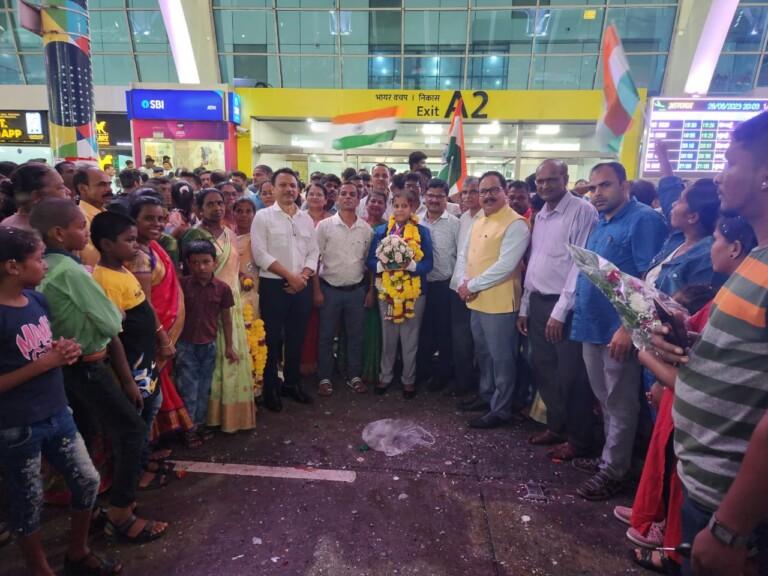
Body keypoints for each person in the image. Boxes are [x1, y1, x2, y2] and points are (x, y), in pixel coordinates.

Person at [646, 111, 768, 576]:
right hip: (706, 490)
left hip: (738, 516)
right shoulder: (756, 257)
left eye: (731, 162)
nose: (719, 175)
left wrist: (731, 528)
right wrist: (687, 339)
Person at [30, 199, 168, 543]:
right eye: (80, 226)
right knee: (132, 430)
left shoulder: (50, 266)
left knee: (90, 434)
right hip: (89, 365)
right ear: (59, 233)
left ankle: (89, 509)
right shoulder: (72, 272)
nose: (85, 233)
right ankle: (121, 510)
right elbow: (110, 320)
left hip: (71, 365)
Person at [626, 215, 757, 574]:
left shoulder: (743, 286)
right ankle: (663, 534)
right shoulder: (744, 279)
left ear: (734, 248)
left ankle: (667, 545)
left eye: (716, 238)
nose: (721, 174)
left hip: (725, 475)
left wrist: (648, 358)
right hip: (703, 459)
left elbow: (714, 376)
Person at [0, 226, 121, 576]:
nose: (46, 267)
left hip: (56, 410)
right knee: (27, 502)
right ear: (12, 266)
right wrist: (43, 364)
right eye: (38, 260)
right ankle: (41, 569)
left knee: (87, 480)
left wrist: (62, 349)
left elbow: (39, 348)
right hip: (17, 424)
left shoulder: (35, 300)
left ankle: (78, 551)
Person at [570, 162, 668, 501]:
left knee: (621, 402)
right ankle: (610, 461)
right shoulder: (602, 221)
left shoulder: (644, 220)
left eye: (605, 186)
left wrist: (629, 328)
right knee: (606, 400)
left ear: (625, 186)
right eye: (594, 188)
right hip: (591, 324)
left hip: (618, 331)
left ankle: (614, 473)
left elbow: (648, 280)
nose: (597, 193)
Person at [518, 159, 599, 461]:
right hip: (538, 301)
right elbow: (536, 260)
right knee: (544, 369)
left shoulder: (582, 211)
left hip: (563, 306)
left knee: (571, 376)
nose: (544, 186)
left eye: (551, 180)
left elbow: (580, 265)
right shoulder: (541, 215)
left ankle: (580, 440)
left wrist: (560, 311)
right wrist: (526, 306)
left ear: (565, 178)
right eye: (540, 181)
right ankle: (557, 426)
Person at [90, 210, 174, 490]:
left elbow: (143, 307)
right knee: (135, 419)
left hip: (144, 359)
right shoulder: (104, 280)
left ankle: (142, 459)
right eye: (129, 240)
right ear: (106, 244)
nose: (136, 246)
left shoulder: (122, 270)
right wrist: (127, 380)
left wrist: (161, 338)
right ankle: (134, 474)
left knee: (150, 408)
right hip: (131, 363)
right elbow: (113, 335)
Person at [455, 171, 530, 428]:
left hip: (500, 305)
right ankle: (486, 396)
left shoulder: (516, 223)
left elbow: (506, 265)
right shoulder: (479, 221)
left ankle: (501, 409)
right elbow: (467, 256)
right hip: (476, 300)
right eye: (482, 191)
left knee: (502, 359)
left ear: (505, 190)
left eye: (492, 190)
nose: (487, 195)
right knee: (484, 354)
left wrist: (471, 285)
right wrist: (464, 284)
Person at [181, 189, 255, 433]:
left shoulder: (230, 234)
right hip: (207, 306)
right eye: (210, 204)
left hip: (231, 302)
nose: (217, 208)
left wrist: (243, 277)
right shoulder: (194, 234)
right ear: (199, 208)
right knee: (208, 365)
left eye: (220, 203)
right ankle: (205, 418)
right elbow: (191, 271)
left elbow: (232, 267)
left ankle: (232, 416)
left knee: (233, 357)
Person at [251, 169, 320, 412]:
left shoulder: (305, 219)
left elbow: (313, 252)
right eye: (283, 185)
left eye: (293, 185)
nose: (289, 189)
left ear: (298, 189)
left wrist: (302, 276)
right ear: (273, 188)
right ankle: (271, 387)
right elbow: (260, 254)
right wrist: (289, 276)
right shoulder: (263, 216)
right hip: (274, 285)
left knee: (296, 337)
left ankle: (292, 383)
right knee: (271, 338)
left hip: (302, 284)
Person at [126, 196, 192, 439]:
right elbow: (144, 304)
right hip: (152, 334)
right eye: (149, 218)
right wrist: (163, 338)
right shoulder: (137, 257)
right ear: (133, 220)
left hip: (162, 330)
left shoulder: (153, 247)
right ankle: (147, 451)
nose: (157, 224)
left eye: (161, 219)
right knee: (151, 391)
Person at [367, 188, 433, 398]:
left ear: (413, 207)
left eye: (405, 206)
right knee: (388, 336)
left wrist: (411, 266)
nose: (400, 209)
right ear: (391, 207)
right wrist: (382, 266)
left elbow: (429, 264)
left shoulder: (422, 232)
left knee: (410, 337)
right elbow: (369, 261)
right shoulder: (380, 231)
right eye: (396, 206)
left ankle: (408, 380)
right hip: (386, 290)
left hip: (414, 292)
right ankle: (385, 377)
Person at [315, 181, 373, 396]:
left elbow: (369, 263)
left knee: (356, 335)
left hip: (356, 291)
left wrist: (370, 291)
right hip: (329, 290)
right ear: (337, 198)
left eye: (353, 194)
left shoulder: (366, 229)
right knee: (326, 336)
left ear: (359, 200)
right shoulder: (325, 226)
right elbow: (314, 259)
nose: (348, 197)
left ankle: (354, 375)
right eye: (344, 194)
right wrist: (317, 291)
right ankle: (324, 377)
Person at [177, 240, 237, 447]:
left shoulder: (222, 289)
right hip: (185, 345)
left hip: (209, 344)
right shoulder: (182, 285)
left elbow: (226, 320)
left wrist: (229, 346)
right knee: (188, 388)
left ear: (215, 262)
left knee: (204, 388)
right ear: (188, 264)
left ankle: (199, 424)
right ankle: (189, 429)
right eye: (195, 263)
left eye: (205, 262)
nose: (201, 267)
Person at [415, 178, 459, 391]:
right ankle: (421, 372)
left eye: (439, 196)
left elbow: (461, 255)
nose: (434, 200)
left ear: (446, 198)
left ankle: (443, 375)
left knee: (443, 332)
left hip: (444, 285)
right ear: (424, 196)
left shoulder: (455, 224)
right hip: (419, 285)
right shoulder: (415, 222)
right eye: (430, 195)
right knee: (422, 331)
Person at [645, 178, 722, 296]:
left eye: (680, 201)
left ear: (693, 217)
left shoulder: (706, 258)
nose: (673, 204)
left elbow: (690, 307)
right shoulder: (677, 240)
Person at [450, 177, 482, 397]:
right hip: (457, 287)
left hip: (479, 289)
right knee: (460, 339)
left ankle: (480, 388)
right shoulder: (462, 219)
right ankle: (463, 384)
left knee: (480, 342)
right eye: (465, 193)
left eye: (474, 192)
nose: (469, 196)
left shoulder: (487, 218)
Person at [302, 183, 333, 376]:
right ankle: (305, 361)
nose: (314, 197)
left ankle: (324, 362)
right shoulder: (299, 219)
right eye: (311, 194)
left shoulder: (332, 220)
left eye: (319, 194)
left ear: (326, 199)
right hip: (304, 275)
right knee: (307, 322)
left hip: (327, 276)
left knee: (327, 324)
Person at [361, 189, 389, 386]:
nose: (376, 205)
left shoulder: (388, 230)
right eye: (373, 201)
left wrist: (372, 288)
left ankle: (371, 369)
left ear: (385, 206)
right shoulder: (358, 224)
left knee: (373, 326)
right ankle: (352, 368)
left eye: (380, 202)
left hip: (376, 281)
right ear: (366, 203)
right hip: (353, 279)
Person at [0, 163, 69, 229]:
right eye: (60, 188)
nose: (68, 191)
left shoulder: (46, 223)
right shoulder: (32, 232)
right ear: (37, 196)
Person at [74, 167, 114, 269]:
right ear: (82, 188)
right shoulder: (79, 219)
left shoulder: (105, 213)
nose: (109, 189)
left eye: (109, 184)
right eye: (102, 185)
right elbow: (92, 258)